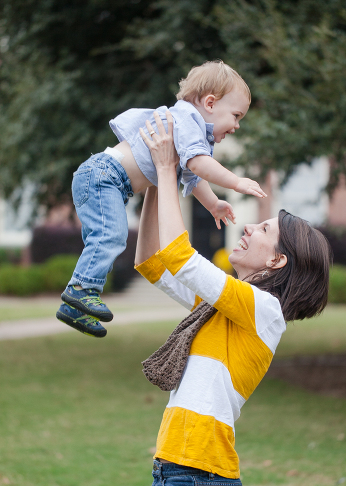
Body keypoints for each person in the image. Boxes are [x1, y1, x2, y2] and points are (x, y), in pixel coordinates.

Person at [134, 111, 331, 486]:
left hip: (200, 483)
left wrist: (169, 170)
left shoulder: (264, 309)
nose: (246, 227)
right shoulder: (222, 307)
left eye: (263, 229)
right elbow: (151, 260)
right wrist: (152, 180)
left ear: (277, 261)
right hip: (175, 470)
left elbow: (180, 257)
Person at [56, 60, 267, 338]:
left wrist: (213, 204)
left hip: (108, 181)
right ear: (211, 103)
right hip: (104, 176)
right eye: (236, 115)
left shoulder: (191, 132)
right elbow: (199, 165)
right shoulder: (188, 119)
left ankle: (74, 308)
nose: (237, 125)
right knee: (112, 236)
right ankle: (81, 290)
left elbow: (193, 174)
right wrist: (236, 181)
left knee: (109, 237)